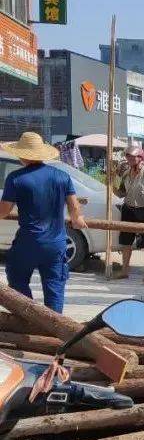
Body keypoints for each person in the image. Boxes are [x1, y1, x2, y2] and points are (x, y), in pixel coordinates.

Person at [0, 131, 87, 313]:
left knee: (16, 277)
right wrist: (78, 220)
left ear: (22, 154)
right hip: (56, 244)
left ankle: (29, 318)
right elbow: (74, 207)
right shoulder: (62, 177)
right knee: (54, 288)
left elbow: (3, 211)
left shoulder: (15, 179)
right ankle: (53, 330)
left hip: (28, 243)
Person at [115, 146, 144, 281]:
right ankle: (124, 271)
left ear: (140, 158)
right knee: (126, 242)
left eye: (132, 156)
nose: (129, 159)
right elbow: (122, 193)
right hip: (128, 209)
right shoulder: (127, 174)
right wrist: (111, 186)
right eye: (128, 156)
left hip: (142, 210)